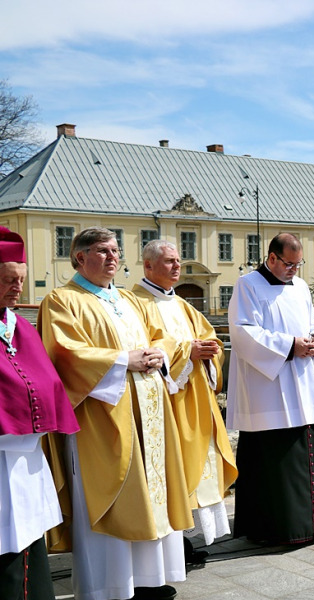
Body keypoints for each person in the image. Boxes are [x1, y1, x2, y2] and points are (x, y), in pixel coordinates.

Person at [39, 227, 192, 600]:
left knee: (151, 491)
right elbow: (64, 354)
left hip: (149, 414)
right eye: (104, 251)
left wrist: (158, 352)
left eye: (116, 251)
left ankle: (149, 580)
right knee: (113, 494)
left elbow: (162, 336)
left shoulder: (127, 299)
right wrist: (124, 360)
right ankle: (110, 586)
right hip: (101, 421)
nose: (113, 257)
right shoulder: (62, 301)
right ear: (80, 257)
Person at [132, 240, 237, 561]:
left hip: (197, 402)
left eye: (178, 261)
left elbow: (210, 337)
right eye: (168, 262)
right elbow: (141, 347)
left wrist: (208, 353)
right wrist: (185, 353)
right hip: (167, 405)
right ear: (148, 266)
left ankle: (185, 538)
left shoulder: (183, 305)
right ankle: (172, 539)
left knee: (198, 467)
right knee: (171, 469)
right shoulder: (135, 303)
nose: (177, 267)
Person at [226, 232, 314, 545]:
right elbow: (244, 333)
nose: (293, 271)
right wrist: (289, 346)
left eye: (298, 265)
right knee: (274, 461)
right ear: (271, 257)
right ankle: (274, 529)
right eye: (288, 264)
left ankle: (311, 525)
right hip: (267, 390)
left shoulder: (299, 287)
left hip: (299, 381)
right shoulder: (248, 285)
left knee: (305, 453)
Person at [0, 227, 79, 600]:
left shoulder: (18, 325)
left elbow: (45, 379)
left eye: (21, 280)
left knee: (28, 532)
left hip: (26, 454)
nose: (18, 288)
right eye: (8, 281)